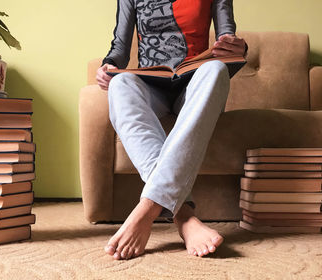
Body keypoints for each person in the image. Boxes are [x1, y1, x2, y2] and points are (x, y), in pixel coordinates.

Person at [97, 0, 248, 261]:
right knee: (120, 84)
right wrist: (108, 66)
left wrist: (236, 47)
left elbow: (227, 36)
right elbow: (119, 48)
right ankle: (184, 216)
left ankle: (148, 208)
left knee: (216, 69)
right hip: (151, 84)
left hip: (195, 81)